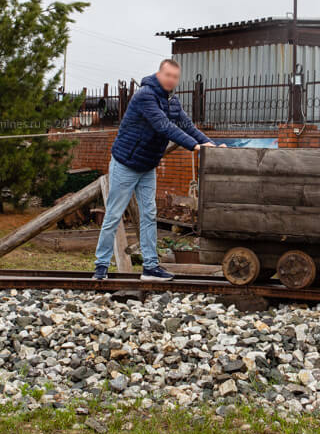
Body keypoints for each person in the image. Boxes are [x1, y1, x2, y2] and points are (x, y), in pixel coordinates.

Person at [92, 58, 223, 281]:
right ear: (159, 74)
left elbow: (186, 125)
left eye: (175, 77)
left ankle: (150, 268)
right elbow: (164, 126)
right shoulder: (145, 96)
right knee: (114, 215)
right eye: (168, 75)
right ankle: (101, 267)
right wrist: (194, 146)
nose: (171, 80)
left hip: (147, 166)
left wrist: (208, 144)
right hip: (126, 163)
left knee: (149, 215)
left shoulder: (172, 100)